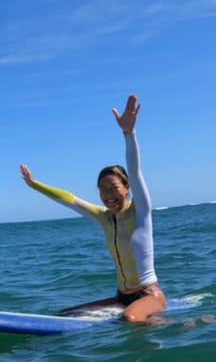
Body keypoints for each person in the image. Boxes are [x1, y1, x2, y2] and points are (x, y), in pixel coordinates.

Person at [19, 94, 166, 322]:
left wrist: (129, 133)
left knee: (130, 318)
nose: (108, 195)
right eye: (102, 189)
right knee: (66, 315)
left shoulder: (140, 212)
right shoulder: (104, 217)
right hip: (121, 297)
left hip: (149, 294)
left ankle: (168, 323)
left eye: (113, 188)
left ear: (127, 188)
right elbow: (69, 199)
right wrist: (34, 184)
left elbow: (135, 172)